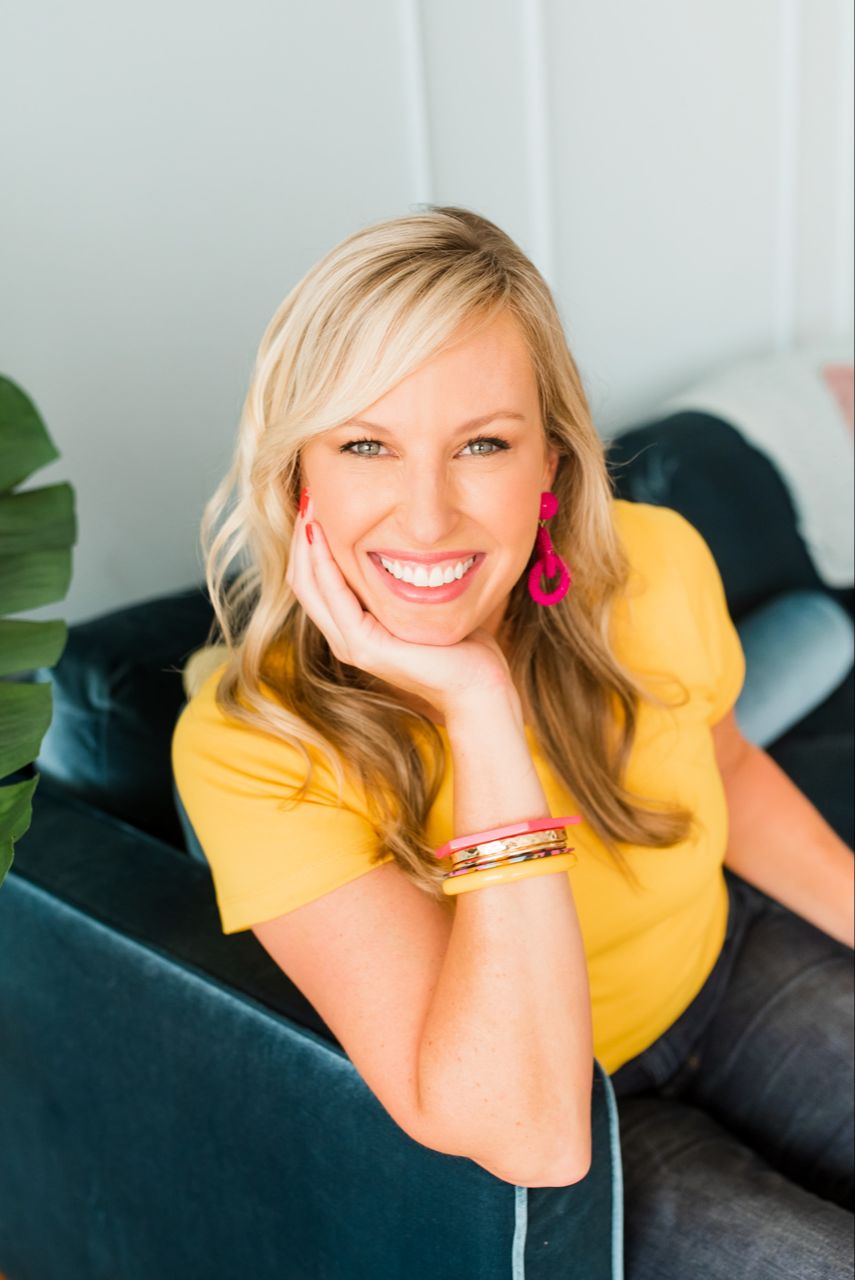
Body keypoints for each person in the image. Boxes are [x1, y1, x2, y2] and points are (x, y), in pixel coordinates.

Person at [171, 205, 854, 1277]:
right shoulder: (251, 747)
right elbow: (532, 1130)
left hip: (725, 969)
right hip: (572, 1096)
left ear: (551, 466)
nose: (427, 516)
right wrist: (478, 703)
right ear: (301, 474)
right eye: (365, 444)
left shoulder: (655, 562)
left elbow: (725, 766)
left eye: (482, 443)